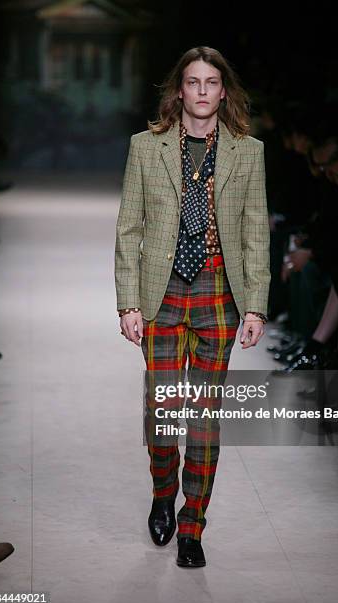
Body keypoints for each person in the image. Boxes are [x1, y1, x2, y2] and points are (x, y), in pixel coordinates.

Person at [114, 46, 270, 568]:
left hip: (218, 297)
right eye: (192, 82)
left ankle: (192, 526)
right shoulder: (145, 147)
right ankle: (163, 490)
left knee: (203, 418)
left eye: (211, 82)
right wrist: (127, 302)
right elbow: (128, 227)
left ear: (224, 91)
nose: (202, 91)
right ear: (178, 91)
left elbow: (255, 236)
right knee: (163, 412)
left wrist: (256, 307)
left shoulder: (248, 152)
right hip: (160, 295)